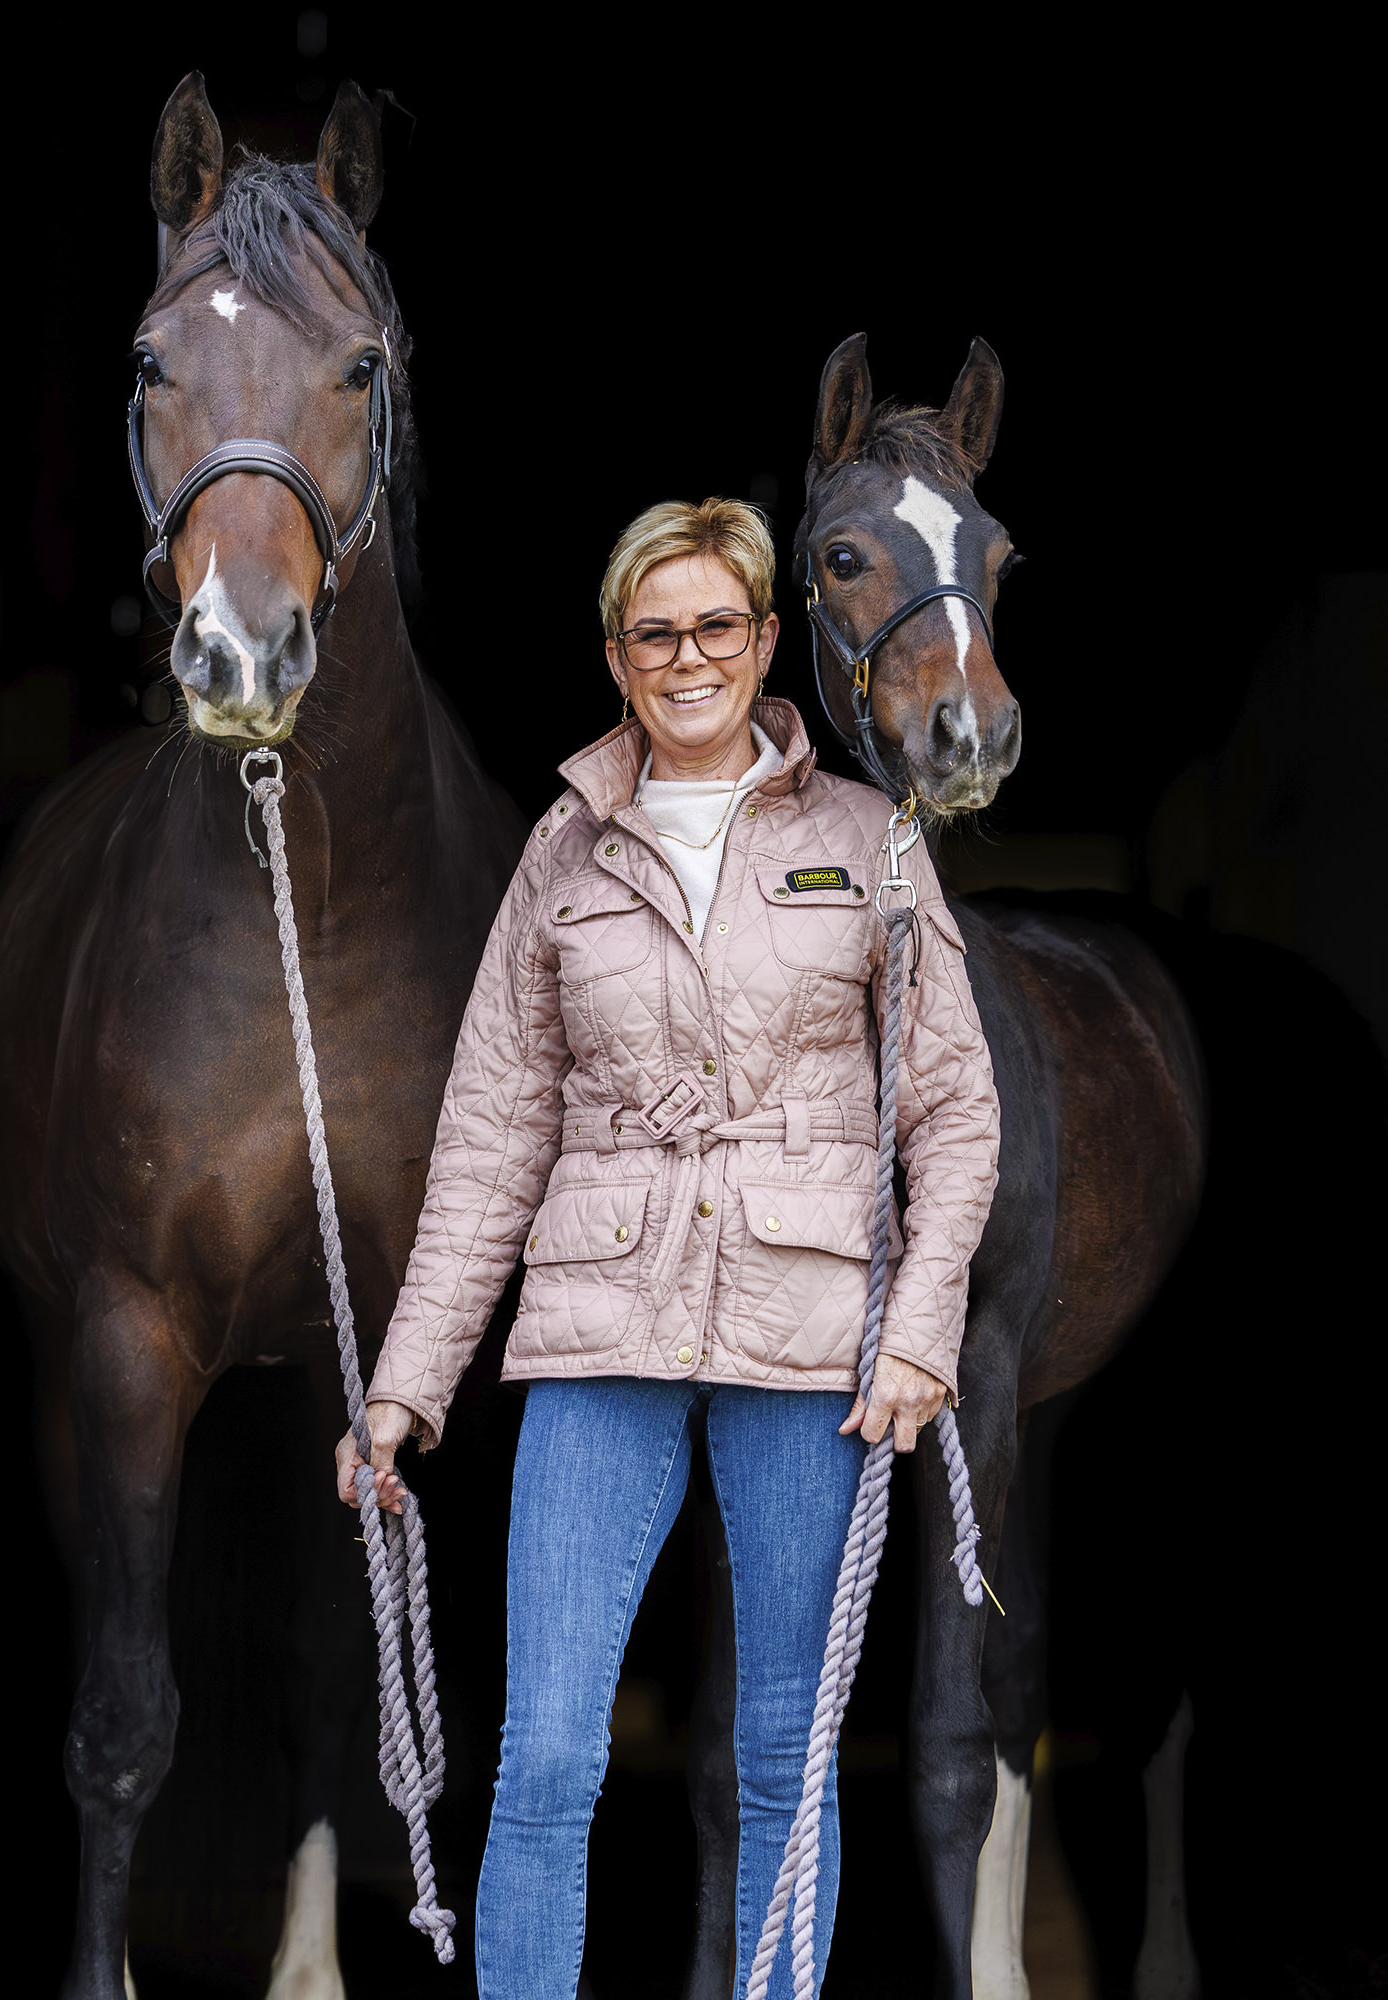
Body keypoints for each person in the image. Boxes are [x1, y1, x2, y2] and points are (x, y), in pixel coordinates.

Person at [336, 497, 1000, 1997]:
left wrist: (922, 1334)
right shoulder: (559, 856)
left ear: (765, 642)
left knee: (786, 1752)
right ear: (618, 656)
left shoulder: (875, 842)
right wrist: (407, 1384)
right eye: (656, 632)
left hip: (810, 1338)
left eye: (717, 626)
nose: (688, 657)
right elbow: (493, 1133)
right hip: (601, 1330)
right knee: (551, 1746)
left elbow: (954, 1113)